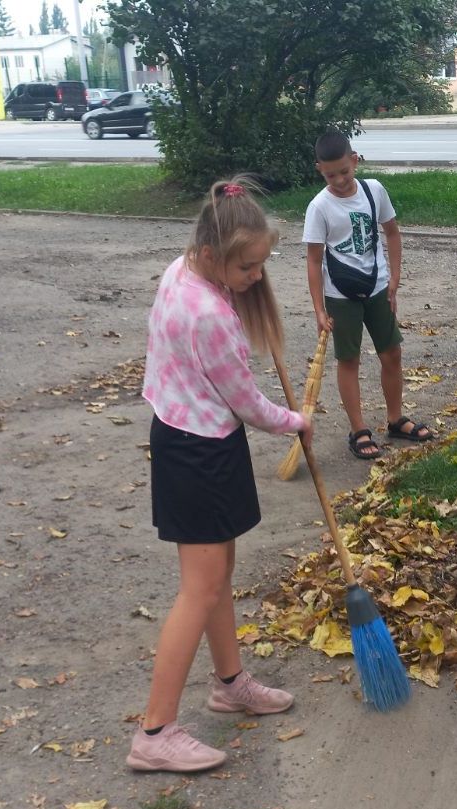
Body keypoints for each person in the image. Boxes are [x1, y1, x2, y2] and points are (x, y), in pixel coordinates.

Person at [128, 176, 312, 773]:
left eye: (261, 264)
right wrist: (296, 422)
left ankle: (230, 683)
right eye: (247, 268)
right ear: (212, 255)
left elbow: (224, 389)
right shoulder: (209, 313)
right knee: (199, 589)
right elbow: (246, 403)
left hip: (188, 435)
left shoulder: (179, 270)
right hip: (198, 450)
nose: (257, 277)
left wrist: (245, 287)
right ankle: (154, 732)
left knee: (217, 575)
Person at [303, 130, 433, 459]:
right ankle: (358, 429)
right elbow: (314, 260)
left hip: (377, 288)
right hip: (340, 297)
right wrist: (319, 309)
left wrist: (394, 280)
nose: (340, 180)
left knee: (392, 353)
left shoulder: (374, 191)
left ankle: (395, 418)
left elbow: (391, 233)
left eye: (344, 171)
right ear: (319, 169)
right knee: (349, 360)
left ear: (354, 160)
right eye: (330, 174)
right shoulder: (319, 207)